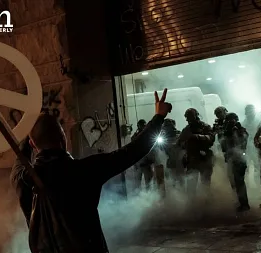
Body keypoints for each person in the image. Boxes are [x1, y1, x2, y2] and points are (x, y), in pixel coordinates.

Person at [11, 89, 172, 253]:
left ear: (32, 145)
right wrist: (159, 117)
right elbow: (132, 151)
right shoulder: (84, 170)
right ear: (63, 139)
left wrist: (27, 138)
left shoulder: (22, 178)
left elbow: (20, 159)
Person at [177, 108, 216, 195]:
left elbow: (211, 138)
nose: (187, 119)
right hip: (192, 159)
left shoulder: (205, 127)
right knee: (191, 185)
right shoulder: (186, 129)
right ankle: (193, 204)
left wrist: (197, 137)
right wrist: (183, 144)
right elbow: (179, 143)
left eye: (189, 116)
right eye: (187, 117)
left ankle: (206, 202)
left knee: (205, 183)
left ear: (195, 116)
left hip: (204, 157)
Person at [220, 112, 250, 211]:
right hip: (231, 158)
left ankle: (244, 204)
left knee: (239, 182)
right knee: (234, 182)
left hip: (238, 158)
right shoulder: (227, 130)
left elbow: (242, 142)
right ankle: (240, 201)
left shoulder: (239, 130)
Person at [161, 118, 185, 189]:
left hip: (180, 159)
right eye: (166, 125)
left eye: (168, 125)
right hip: (170, 159)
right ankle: (174, 193)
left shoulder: (179, 134)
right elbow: (161, 148)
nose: (167, 127)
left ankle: (183, 191)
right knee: (172, 178)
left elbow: (184, 146)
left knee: (181, 177)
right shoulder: (163, 137)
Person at [131, 119, 155, 191]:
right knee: (137, 182)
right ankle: (138, 197)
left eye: (144, 125)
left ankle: (149, 196)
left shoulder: (148, 134)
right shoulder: (135, 136)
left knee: (149, 182)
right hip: (139, 162)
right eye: (142, 126)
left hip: (146, 162)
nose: (143, 127)